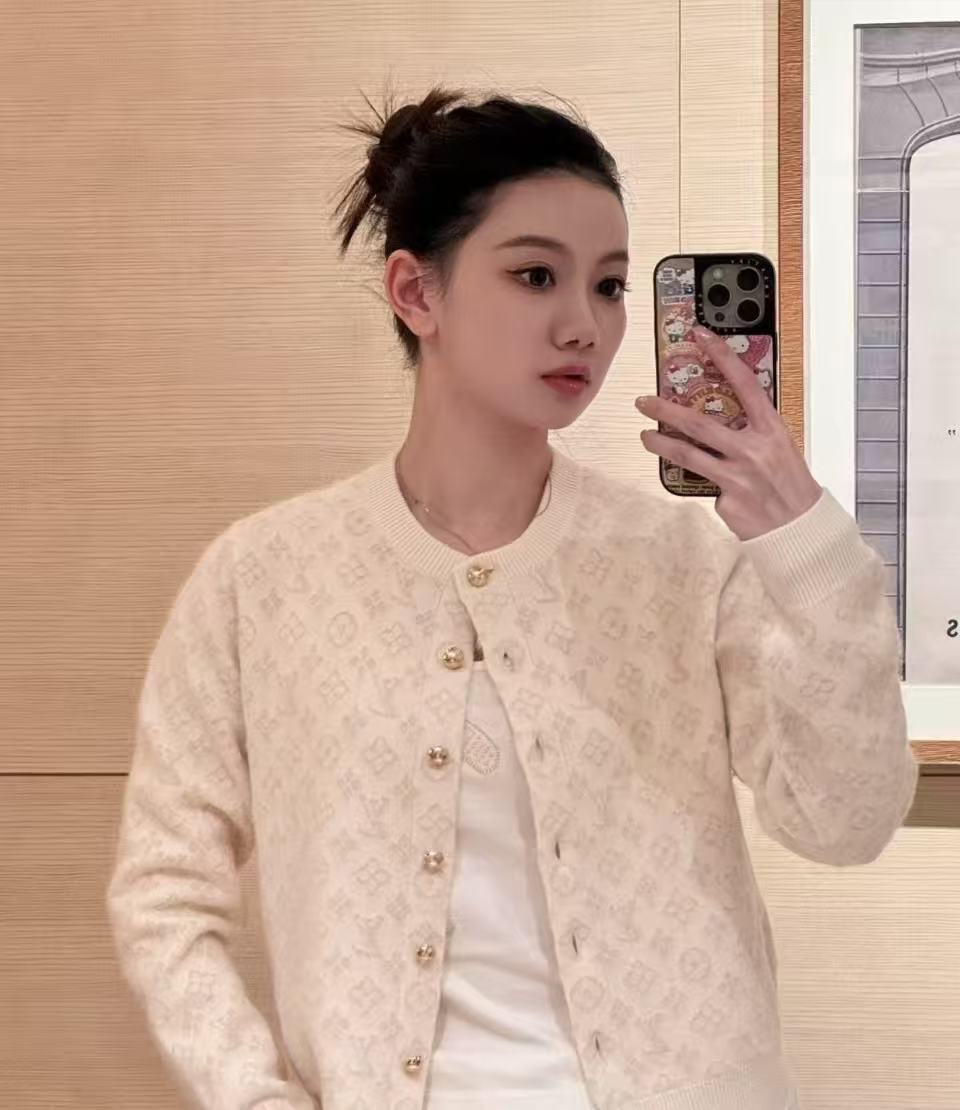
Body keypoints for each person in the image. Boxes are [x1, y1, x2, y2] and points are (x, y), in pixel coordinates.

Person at [106, 83, 919, 1110]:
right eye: (537, 275)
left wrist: (805, 544)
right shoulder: (261, 578)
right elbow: (164, 893)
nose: (585, 325)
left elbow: (846, 820)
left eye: (611, 285)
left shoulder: (684, 562)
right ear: (417, 293)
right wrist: (256, 1097)